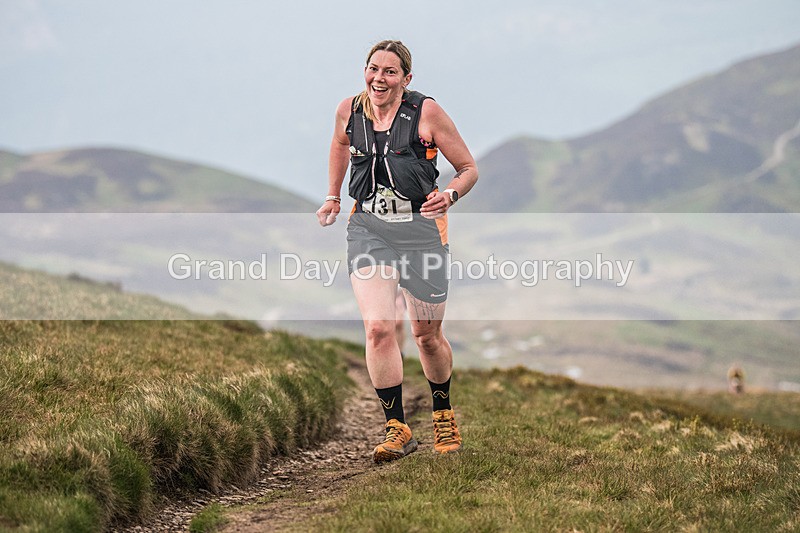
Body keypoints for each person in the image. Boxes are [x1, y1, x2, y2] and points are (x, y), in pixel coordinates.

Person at [316, 40, 478, 463]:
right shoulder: (349, 110)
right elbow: (338, 144)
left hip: (423, 232)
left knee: (426, 336)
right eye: (373, 69)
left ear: (406, 79)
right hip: (369, 228)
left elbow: (468, 168)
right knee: (379, 329)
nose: (379, 79)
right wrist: (333, 195)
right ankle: (397, 427)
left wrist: (451, 196)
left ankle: (442, 412)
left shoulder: (427, 113)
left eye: (390, 72)